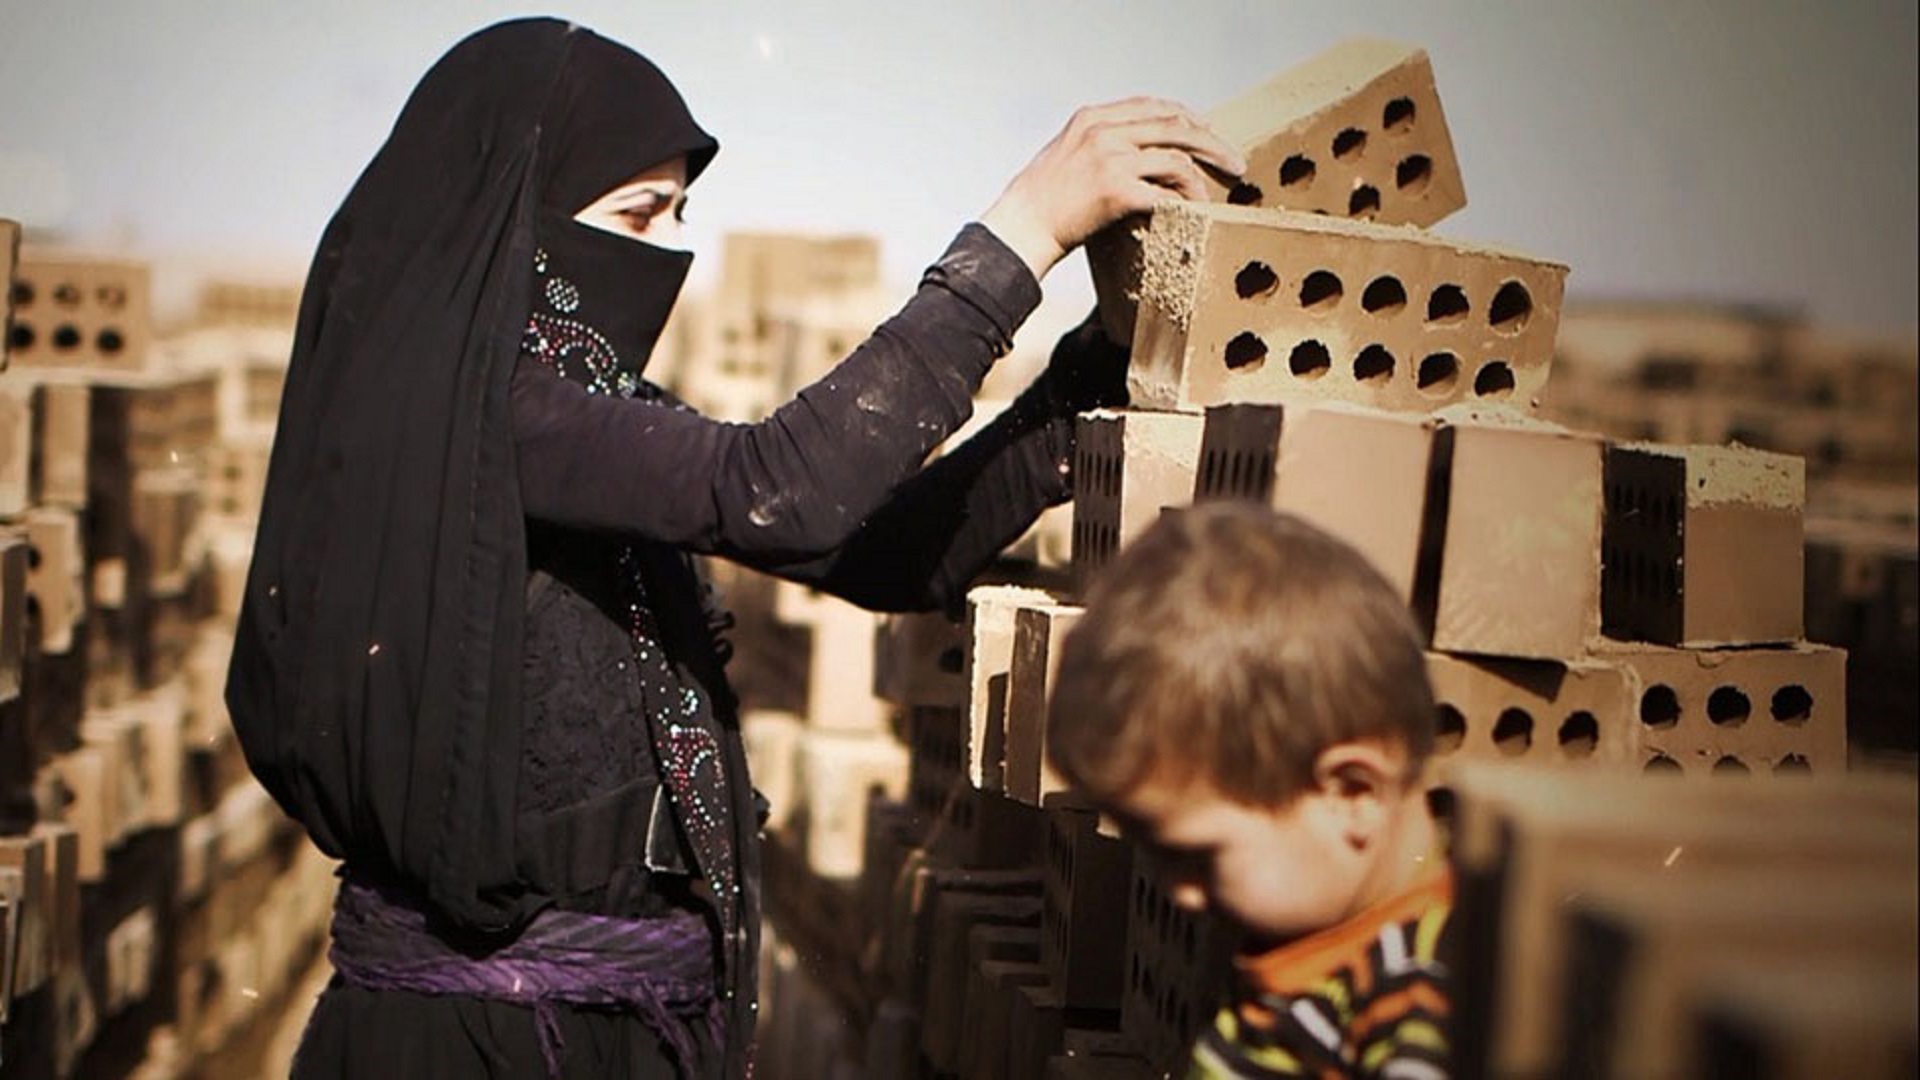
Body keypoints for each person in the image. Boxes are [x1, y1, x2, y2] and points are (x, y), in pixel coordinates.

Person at [225, 16, 1243, 1080]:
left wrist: (1087, 375)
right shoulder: (485, 423)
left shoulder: (576, 420)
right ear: (516, 224)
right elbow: (778, 492)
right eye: (637, 214)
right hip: (489, 1047)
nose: (669, 249)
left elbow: (887, 555)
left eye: (680, 214)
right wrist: (1024, 230)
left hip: (611, 1031)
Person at [1045, 504, 1454, 1079]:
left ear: (1353, 794)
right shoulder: (1316, 946)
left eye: (1198, 856)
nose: (1181, 893)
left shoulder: (1418, 1010)